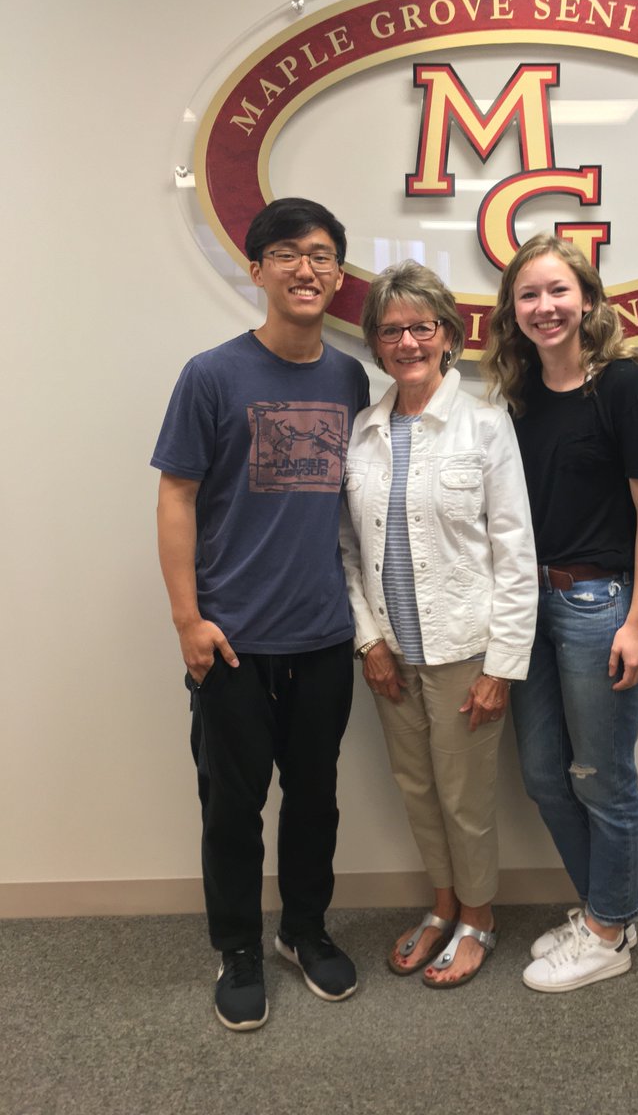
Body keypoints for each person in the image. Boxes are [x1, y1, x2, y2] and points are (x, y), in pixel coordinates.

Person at [151, 197, 370, 1031]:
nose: (304, 269)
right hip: (231, 641)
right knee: (231, 807)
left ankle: (303, 931)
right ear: (256, 270)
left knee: (315, 798)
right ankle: (238, 947)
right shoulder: (211, 375)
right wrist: (188, 620)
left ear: (338, 275)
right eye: (286, 254)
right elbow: (176, 495)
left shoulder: (350, 379)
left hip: (323, 633)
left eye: (320, 255)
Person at [482, 233, 638, 993]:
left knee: (601, 777)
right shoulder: (519, 394)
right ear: (513, 311)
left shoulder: (625, 388)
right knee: (543, 776)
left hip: (599, 606)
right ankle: (605, 910)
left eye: (558, 290)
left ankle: (609, 931)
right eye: (528, 295)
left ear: (587, 298)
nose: (545, 306)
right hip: (527, 604)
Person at [340, 260, 537, 988]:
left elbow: (516, 551)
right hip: (391, 653)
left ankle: (478, 918)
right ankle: (443, 905)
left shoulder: (485, 426)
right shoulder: (362, 434)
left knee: (465, 796)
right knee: (417, 789)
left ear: (450, 335)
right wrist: (368, 640)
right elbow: (346, 551)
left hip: (464, 652)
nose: (407, 342)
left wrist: (501, 667)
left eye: (422, 327)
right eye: (391, 331)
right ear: (375, 343)